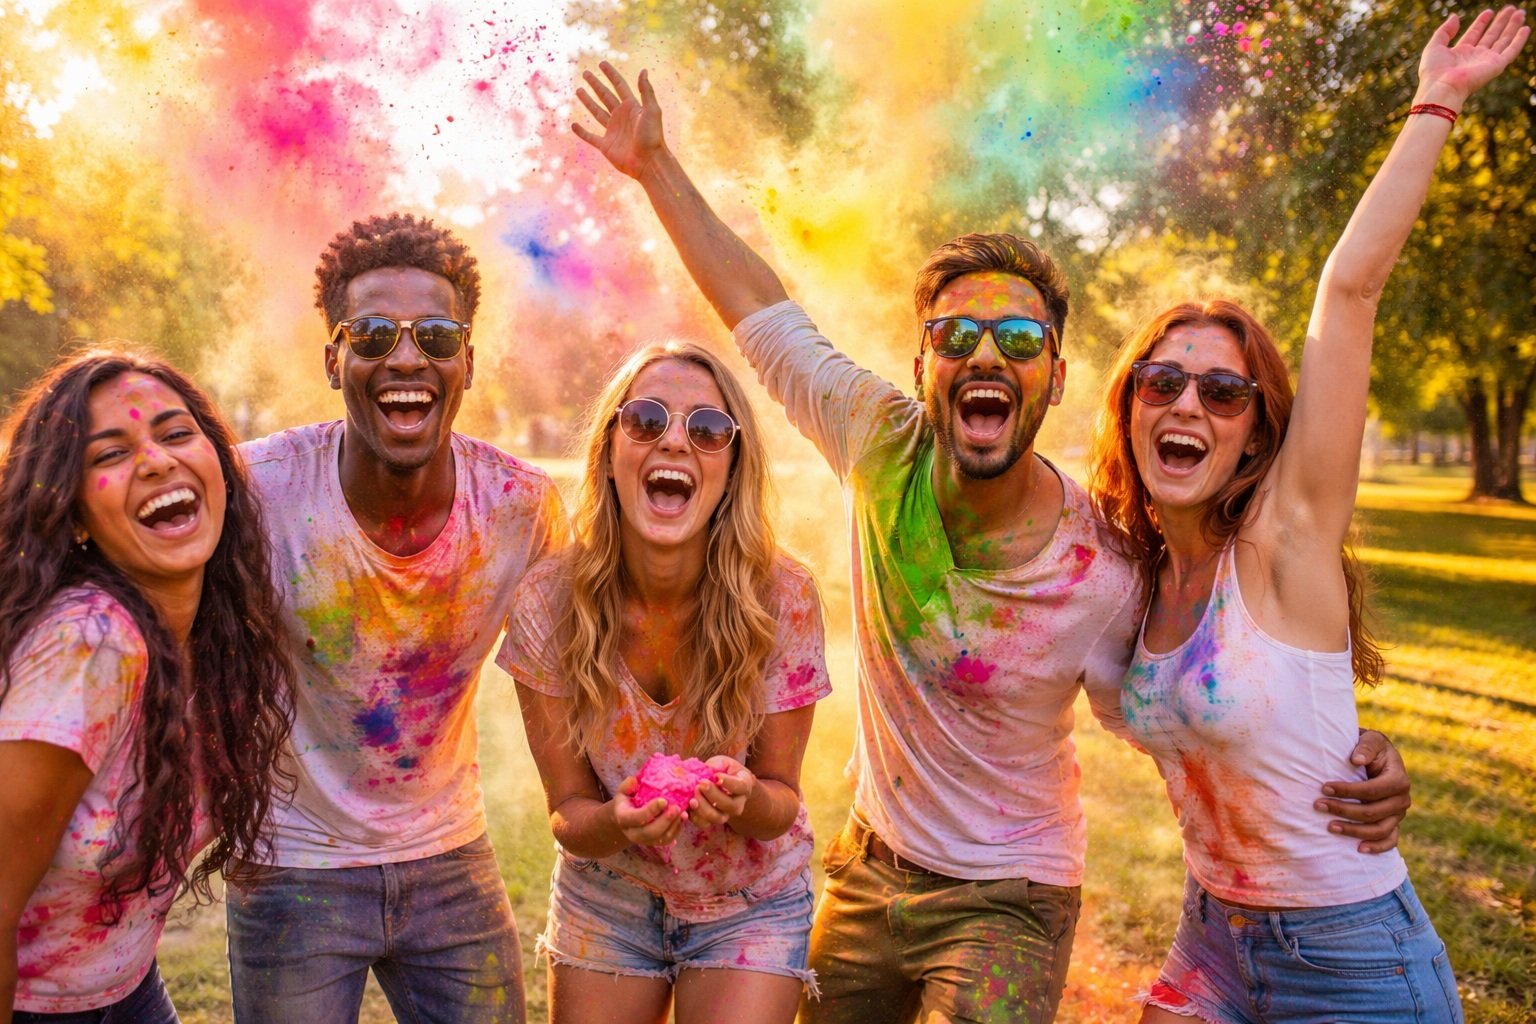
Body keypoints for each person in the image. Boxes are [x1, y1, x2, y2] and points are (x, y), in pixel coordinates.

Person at [572, 65, 1415, 1022]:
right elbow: (760, 311)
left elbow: (1216, 691)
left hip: (1013, 895)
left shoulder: (1109, 563)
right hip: (868, 871)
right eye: (956, 334)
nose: (985, 355)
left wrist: (1353, 754)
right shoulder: (880, 444)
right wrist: (653, 164)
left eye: (1017, 339)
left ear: (1054, 378)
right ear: (923, 365)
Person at [1086, 10, 1527, 1022]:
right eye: (1164, 380)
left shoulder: (1285, 542)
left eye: (1223, 392)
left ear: (1254, 432)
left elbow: (1351, 288)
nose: (1189, 403)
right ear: (1131, 404)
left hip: (1350, 955)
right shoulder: (1129, 569)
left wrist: (1438, 99)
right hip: (1211, 934)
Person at [224, 214, 565, 1023]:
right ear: (334, 358)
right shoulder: (259, 492)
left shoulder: (520, 509)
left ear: (468, 363)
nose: (406, 357)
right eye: (372, 333)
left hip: (450, 856)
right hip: (291, 864)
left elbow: (575, 677)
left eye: (437, 336)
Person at [501, 341, 831, 1024]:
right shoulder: (547, 602)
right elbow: (569, 811)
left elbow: (781, 801)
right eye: (647, 420)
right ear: (610, 451)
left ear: (733, 466)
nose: (675, 442)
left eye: (707, 430)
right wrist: (615, 822)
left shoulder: (784, 597)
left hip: (750, 902)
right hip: (609, 894)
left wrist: (743, 800)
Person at [0, 352, 294, 1023]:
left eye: (174, 433)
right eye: (111, 454)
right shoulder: (91, 646)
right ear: (73, 515)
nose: (157, 462)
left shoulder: (217, 632)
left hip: (125, 991)